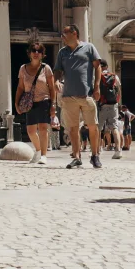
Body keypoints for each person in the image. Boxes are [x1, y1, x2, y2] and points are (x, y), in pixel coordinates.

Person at [55, 24, 104, 169]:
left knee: (93, 126)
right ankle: (76, 156)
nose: (62, 36)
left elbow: (98, 66)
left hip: (86, 94)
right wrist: (57, 80)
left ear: (74, 33)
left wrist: (97, 86)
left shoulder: (89, 48)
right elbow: (58, 70)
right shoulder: (62, 52)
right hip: (69, 95)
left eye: (65, 33)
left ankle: (95, 155)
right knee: (72, 128)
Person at [16, 42, 57, 165]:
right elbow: (20, 87)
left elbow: (52, 88)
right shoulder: (23, 68)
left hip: (44, 101)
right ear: (29, 53)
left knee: (43, 129)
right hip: (30, 103)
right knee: (31, 130)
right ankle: (38, 151)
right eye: (34, 50)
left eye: (39, 51)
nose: (36, 53)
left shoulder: (46, 68)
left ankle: (44, 155)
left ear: (42, 54)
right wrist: (16, 104)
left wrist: (53, 104)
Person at [97, 65, 123, 158]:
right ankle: (118, 151)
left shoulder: (98, 75)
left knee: (98, 128)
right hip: (113, 105)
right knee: (114, 128)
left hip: (102, 105)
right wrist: (117, 102)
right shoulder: (114, 76)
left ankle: (97, 151)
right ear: (107, 66)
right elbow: (119, 90)